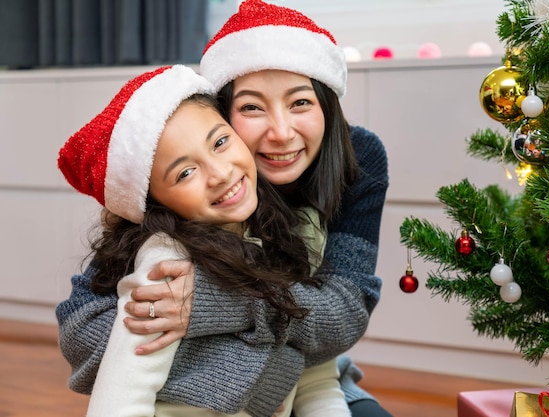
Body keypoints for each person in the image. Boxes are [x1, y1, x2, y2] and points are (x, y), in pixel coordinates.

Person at [56, 1, 391, 416]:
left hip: (312, 377)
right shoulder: (173, 227)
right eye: (251, 107)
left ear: (326, 102)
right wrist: (274, 359)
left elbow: (342, 316)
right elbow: (85, 334)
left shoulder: (353, 163)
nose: (281, 133)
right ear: (223, 110)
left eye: (301, 102)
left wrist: (218, 304)